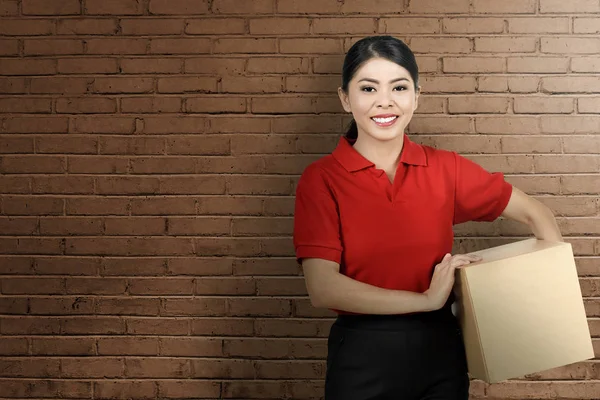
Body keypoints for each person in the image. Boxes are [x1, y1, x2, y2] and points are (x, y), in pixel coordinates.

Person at [292, 36, 563, 400]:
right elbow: (323, 288)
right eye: (368, 87)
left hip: (441, 353)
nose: (384, 101)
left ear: (416, 96)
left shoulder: (444, 168)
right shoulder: (321, 178)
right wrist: (425, 299)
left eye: (399, 87)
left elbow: (537, 214)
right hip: (362, 356)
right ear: (345, 98)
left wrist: (550, 299)